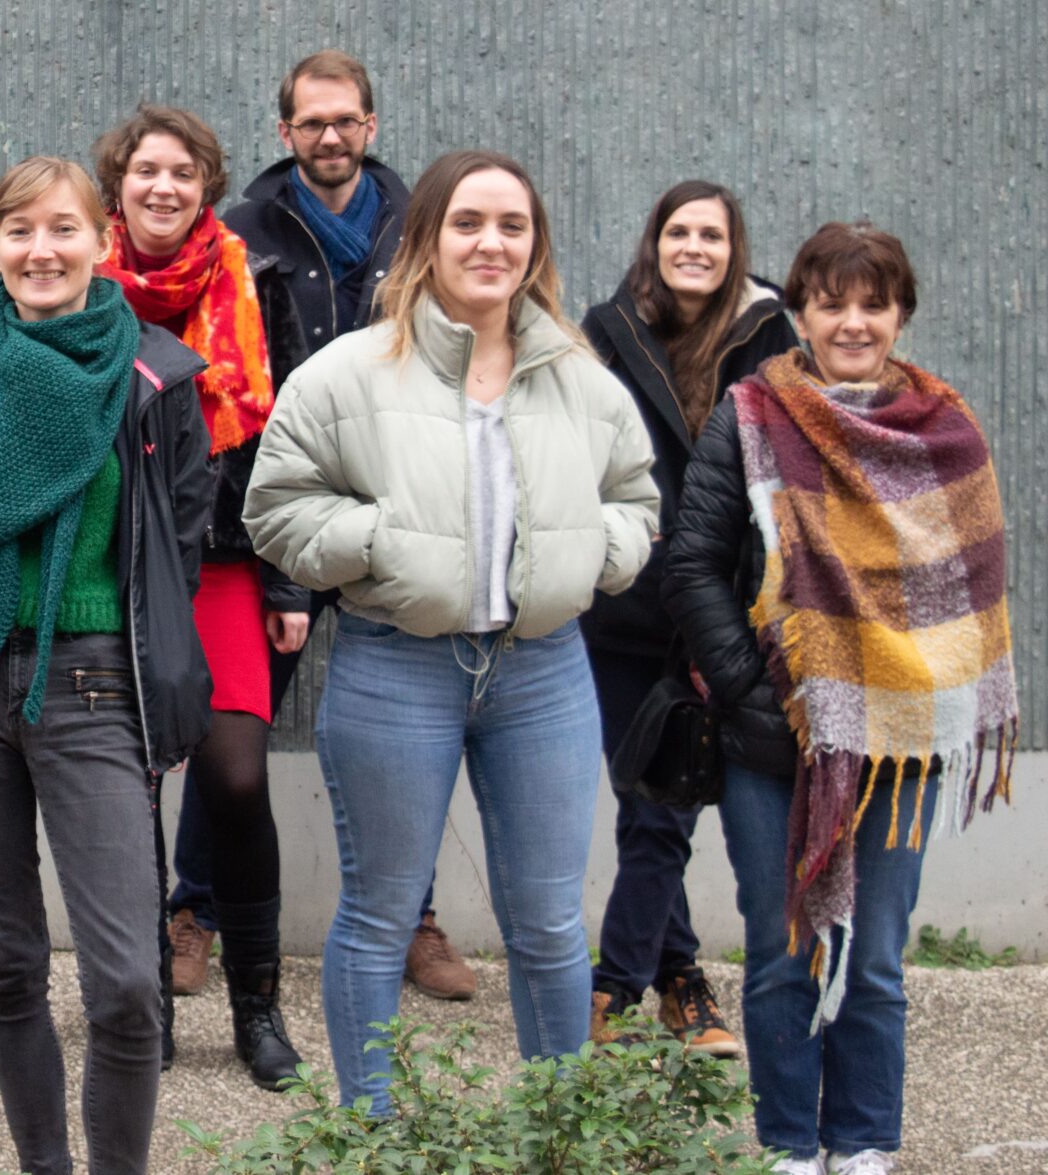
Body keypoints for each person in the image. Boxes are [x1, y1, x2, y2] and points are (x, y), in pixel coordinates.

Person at [244, 149, 660, 1115]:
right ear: (426, 238)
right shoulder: (348, 374)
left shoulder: (579, 378)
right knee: (380, 914)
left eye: (513, 226)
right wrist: (380, 543)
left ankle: (556, 1133)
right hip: (396, 667)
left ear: (535, 246)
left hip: (544, 675)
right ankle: (374, 1133)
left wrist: (593, 554)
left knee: (549, 923)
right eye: (468, 222)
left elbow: (637, 500)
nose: (491, 243)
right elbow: (276, 508)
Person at [0, 155, 215, 1175]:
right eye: (20, 231)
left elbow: (177, 543)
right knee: (10, 965)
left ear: (103, 241)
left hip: (93, 682)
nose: (41, 250)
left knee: (127, 985)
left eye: (64, 228)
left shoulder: (154, 376)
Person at [666, 222, 1017, 1175]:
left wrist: (922, 683)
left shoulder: (946, 428)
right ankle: (788, 1145)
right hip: (775, 737)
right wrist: (754, 688)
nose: (853, 322)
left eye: (874, 304)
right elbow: (692, 564)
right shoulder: (751, 414)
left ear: (902, 314)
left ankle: (862, 1142)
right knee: (783, 952)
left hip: (904, 733)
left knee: (876, 954)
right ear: (802, 313)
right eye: (832, 304)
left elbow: (971, 579)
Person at [212, 49, 481, 1004]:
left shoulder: (424, 226)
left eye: (346, 120)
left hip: (398, 512)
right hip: (278, 513)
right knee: (232, 730)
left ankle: (414, 919)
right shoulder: (241, 231)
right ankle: (193, 911)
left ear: (371, 125)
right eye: (311, 122)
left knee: (409, 735)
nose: (330, 136)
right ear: (283, 131)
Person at [91, 103, 303, 1089]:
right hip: (110, 564)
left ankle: (257, 1001)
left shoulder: (256, 281)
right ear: (118, 184)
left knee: (236, 776)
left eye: (183, 172)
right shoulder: (81, 282)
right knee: (126, 789)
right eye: (146, 171)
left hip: (222, 561)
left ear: (207, 186)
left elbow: (293, 439)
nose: (163, 187)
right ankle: (143, 1005)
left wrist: (288, 576)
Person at [578, 180, 797, 1058]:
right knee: (652, 797)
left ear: (733, 249)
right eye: (679, 232)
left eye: (712, 234)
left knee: (664, 808)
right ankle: (675, 981)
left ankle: (615, 987)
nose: (694, 248)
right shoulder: (606, 331)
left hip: (725, 607)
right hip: (625, 604)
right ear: (655, 241)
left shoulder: (772, 335)